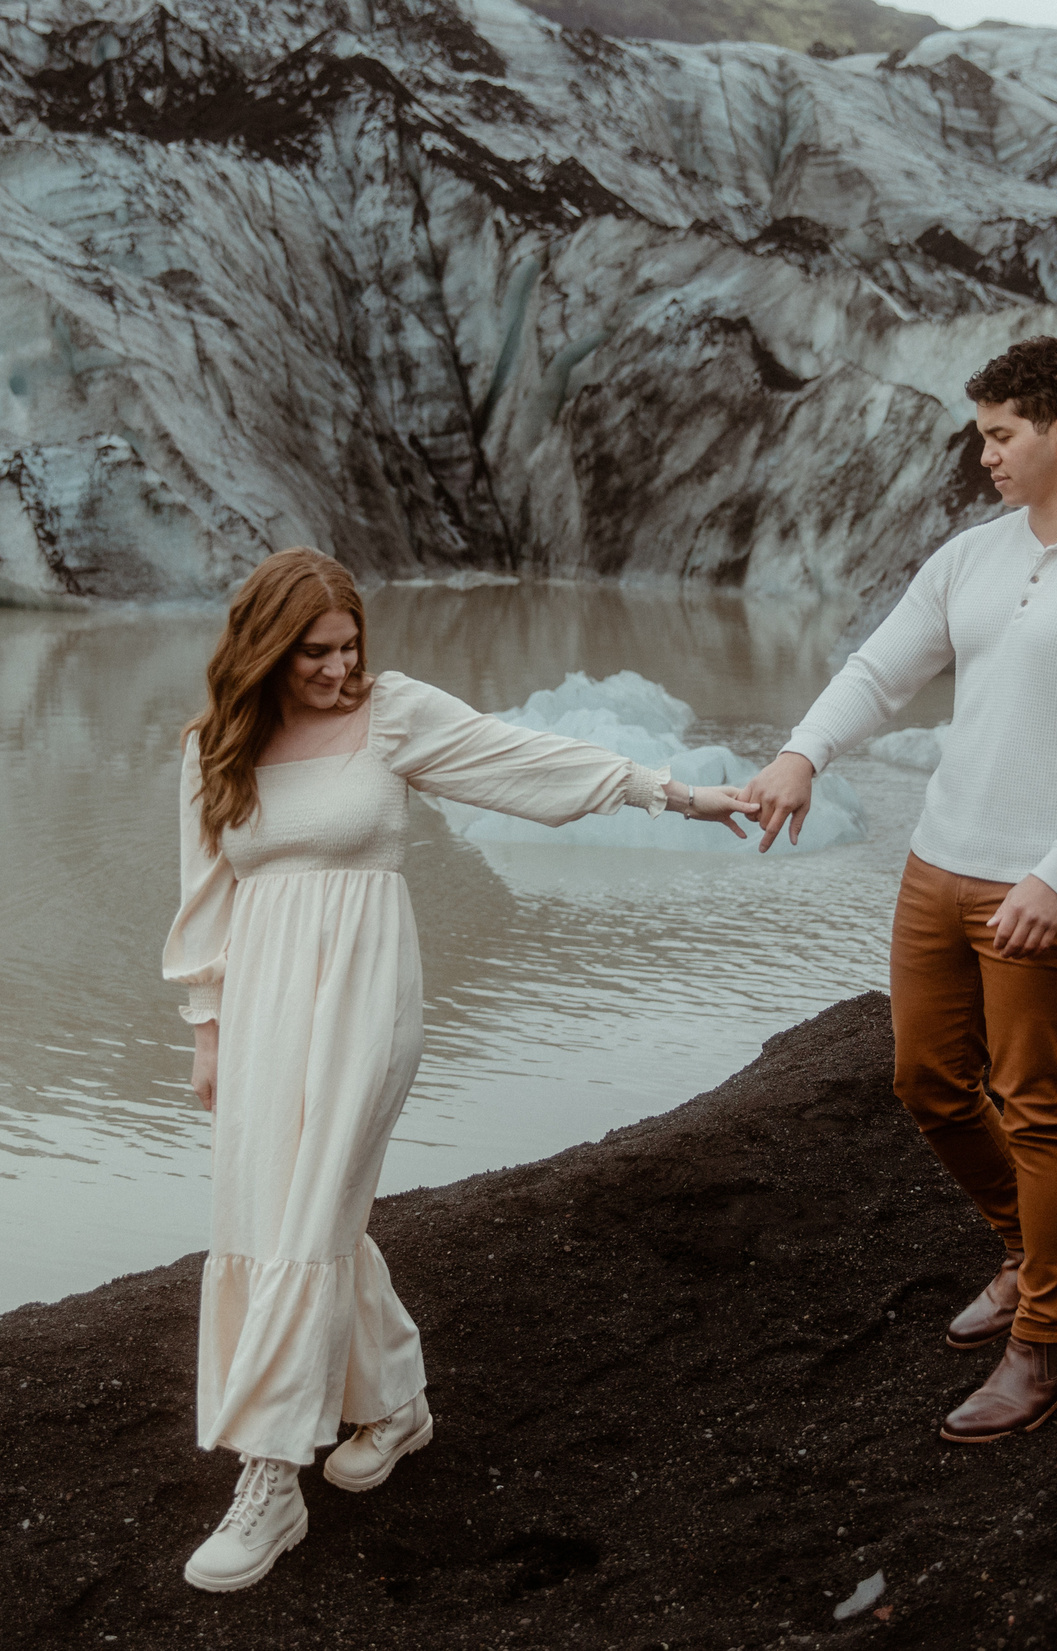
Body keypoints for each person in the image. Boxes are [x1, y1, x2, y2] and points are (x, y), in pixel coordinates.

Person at [162, 548, 757, 1591]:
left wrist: (674, 796)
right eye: (315, 654)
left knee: (306, 1221)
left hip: (365, 999)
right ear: (264, 648)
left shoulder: (390, 715)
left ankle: (268, 1479)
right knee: (276, 1213)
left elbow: (521, 762)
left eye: (350, 648)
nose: (339, 670)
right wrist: (206, 1030)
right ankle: (394, 1404)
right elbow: (204, 895)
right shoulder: (216, 747)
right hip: (259, 1008)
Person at [743, 337, 1057, 1442]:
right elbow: (881, 667)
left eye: (1000, 434)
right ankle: (1028, 1251)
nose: (983, 453)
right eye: (980, 431)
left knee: (1039, 1109)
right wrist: (804, 751)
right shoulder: (974, 556)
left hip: (1051, 890)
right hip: (938, 865)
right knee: (926, 1083)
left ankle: (1050, 1342)